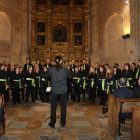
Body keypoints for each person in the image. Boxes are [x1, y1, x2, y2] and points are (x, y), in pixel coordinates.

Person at [47, 55, 71, 128]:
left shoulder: (51, 69)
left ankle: (52, 123)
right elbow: (70, 77)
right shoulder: (65, 70)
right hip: (63, 91)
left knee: (53, 107)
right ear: (61, 61)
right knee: (63, 107)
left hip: (54, 91)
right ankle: (63, 122)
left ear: (55, 61)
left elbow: (47, 76)